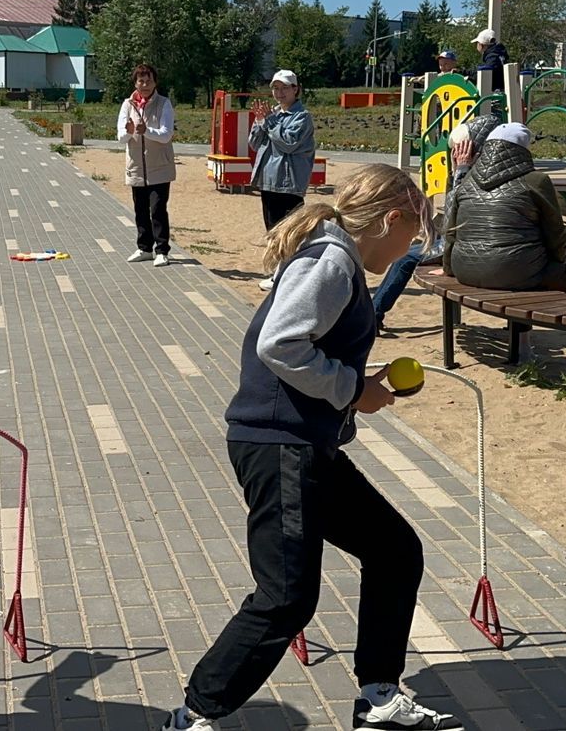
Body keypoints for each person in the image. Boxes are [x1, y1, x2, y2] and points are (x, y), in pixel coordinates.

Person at [162, 164, 461, 731]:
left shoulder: (338, 257)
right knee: (287, 597)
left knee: (395, 550)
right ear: (390, 218)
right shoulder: (332, 262)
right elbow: (281, 344)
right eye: (410, 237)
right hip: (279, 446)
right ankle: (194, 714)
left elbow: (311, 349)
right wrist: (353, 389)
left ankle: (377, 697)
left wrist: (354, 386)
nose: (408, 250)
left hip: (305, 445)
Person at [441, 122, 566, 380]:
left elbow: (452, 231)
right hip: (516, 271)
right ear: (522, 151)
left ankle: (523, 350)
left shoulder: (466, 182)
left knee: (524, 272)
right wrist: (555, 261)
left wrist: (448, 267)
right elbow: (555, 232)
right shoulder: (535, 181)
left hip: (465, 270)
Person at [370, 114, 503, 335]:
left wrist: (460, 172)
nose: (457, 155)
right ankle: (374, 313)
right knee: (411, 249)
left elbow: (454, 215)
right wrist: (456, 173)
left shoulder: (483, 174)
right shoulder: (488, 167)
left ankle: (374, 314)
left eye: (460, 150)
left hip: (471, 244)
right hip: (465, 238)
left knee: (406, 257)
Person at [249, 69, 317, 291]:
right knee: (273, 230)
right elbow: (254, 143)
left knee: (290, 231)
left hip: (289, 183)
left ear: (296, 89)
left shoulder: (302, 117)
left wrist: (269, 121)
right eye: (275, 88)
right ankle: (281, 272)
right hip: (268, 180)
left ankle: (286, 275)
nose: (279, 93)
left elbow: (289, 143)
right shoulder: (274, 113)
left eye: (285, 88)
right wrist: (260, 122)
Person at [119, 63, 176, 267]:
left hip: (159, 166)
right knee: (140, 209)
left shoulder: (163, 103)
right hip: (136, 166)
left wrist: (146, 131)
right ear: (135, 82)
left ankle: (162, 251)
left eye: (148, 80)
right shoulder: (128, 104)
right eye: (140, 80)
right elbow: (121, 137)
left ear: (155, 82)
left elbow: (166, 134)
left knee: (158, 208)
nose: (144, 84)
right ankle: (144, 248)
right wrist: (129, 131)